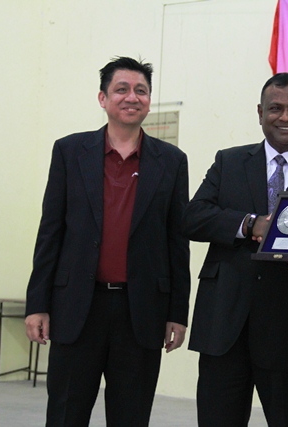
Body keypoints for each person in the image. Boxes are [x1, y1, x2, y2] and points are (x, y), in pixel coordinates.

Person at [182, 72, 288, 427]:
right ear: (260, 112)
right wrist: (249, 224)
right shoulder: (228, 162)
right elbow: (193, 218)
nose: (286, 117)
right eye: (275, 108)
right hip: (225, 327)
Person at [24, 56, 190, 426]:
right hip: (77, 307)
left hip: (141, 311)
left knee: (131, 417)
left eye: (141, 90)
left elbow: (176, 241)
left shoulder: (172, 161)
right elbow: (50, 231)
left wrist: (177, 312)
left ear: (149, 99)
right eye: (122, 89)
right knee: (66, 413)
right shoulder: (69, 152)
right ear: (103, 98)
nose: (132, 97)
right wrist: (38, 303)